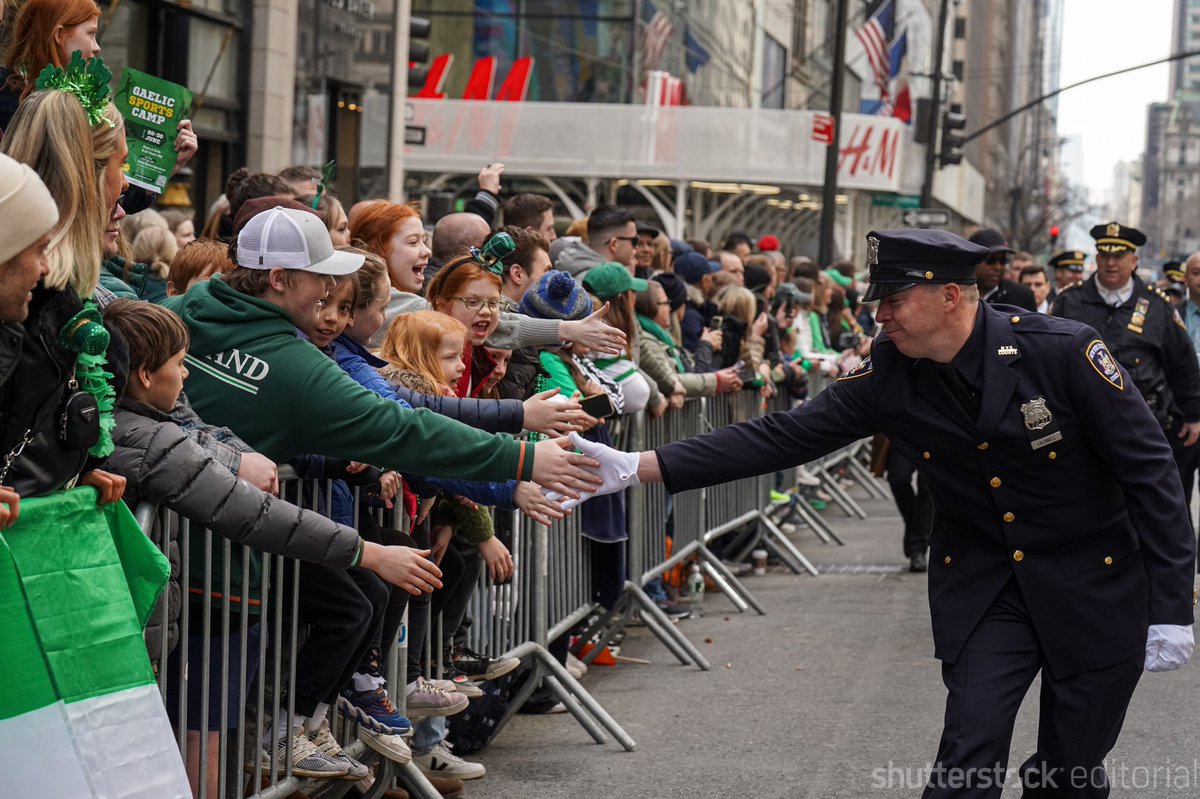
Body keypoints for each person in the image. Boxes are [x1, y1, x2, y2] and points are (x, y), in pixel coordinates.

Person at [576, 228, 1197, 799]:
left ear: (949, 295)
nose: (880, 314)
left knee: (1070, 774)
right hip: (989, 587)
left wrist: (1171, 607)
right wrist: (637, 467)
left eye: (895, 299)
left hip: (1093, 579)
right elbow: (783, 437)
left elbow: (1150, 473)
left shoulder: (1062, 352)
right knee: (964, 764)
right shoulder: (890, 371)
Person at [161, 204, 603, 499]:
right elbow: (400, 428)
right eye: (320, 276)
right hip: (222, 574)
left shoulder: (174, 312)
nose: (331, 288)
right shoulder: (298, 368)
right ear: (278, 279)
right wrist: (521, 458)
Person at [1053, 222, 1200, 514]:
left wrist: (1194, 415)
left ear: (1134, 261)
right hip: (1081, 428)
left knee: (1150, 509)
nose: (1110, 262)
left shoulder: (1157, 306)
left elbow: (1183, 365)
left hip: (1145, 427)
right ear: (1096, 258)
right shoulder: (1070, 301)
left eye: (1119, 256)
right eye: (1104, 255)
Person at [554, 205, 637, 278]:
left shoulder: (570, 267)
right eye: (634, 241)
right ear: (614, 244)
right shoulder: (602, 283)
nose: (636, 247)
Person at [967, 228, 1037, 311]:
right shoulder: (956, 294)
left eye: (1003, 261)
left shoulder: (1022, 296)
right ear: (972, 260)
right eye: (991, 260)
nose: (998, 267)